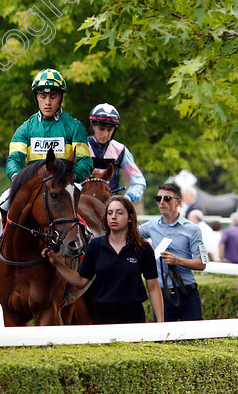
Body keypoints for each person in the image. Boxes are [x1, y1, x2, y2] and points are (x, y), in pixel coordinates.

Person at [44, 196, 164, 324]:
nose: (113, 216)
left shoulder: (143, 248)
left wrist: (160, 322)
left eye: (119, 212)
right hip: (103, 316)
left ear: (130, 218)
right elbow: (80, 281)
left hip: (134, 316)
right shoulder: (95, 245)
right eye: (110, 213)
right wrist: (56, 263)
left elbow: (153, 287)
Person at [1, 69, 92, 213]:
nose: (48, 102)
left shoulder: (75, 127)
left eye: (53, 96)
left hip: (65, 184)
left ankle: (86, 235)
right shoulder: (25, 129)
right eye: (42, 96)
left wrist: (69, 177)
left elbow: (85, 162)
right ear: (36, 97)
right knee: (3, 200)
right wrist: (16, 177)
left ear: (61, 97)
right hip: (34, 186)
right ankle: (5, 235)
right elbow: (13, 159)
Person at [139, 182, 206, 321]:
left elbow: (202, 263)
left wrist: (177, 260)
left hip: (187, 292)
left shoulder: (193, 229)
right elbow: (129, 236)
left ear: (178, 202)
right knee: (162, 338)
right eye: (159, 199)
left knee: (194, 338)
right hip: (162, 294)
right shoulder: (151, 226)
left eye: (167, 198)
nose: (162, 202)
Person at [87, 104, 147, 202]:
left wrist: (128, 198)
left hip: (110, 205)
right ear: (93, 126)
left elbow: (139, 181)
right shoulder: (81, 148)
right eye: (101, 129)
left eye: (109, 130)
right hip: (83, 204)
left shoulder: (121, 150)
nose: (105, 134)